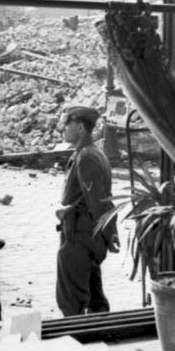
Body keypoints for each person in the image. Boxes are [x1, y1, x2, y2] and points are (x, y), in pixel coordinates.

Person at [55, 104, 120, 316]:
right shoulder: (91, 154)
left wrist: (110, 236)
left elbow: (99, 202)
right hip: (85, 233)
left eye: (67, 124)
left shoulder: (86, 158)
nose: (62, 128)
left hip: (79, 236)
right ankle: (98, 334)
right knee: (94, 297)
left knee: (71, 300)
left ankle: (75, 340)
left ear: (80, 127)